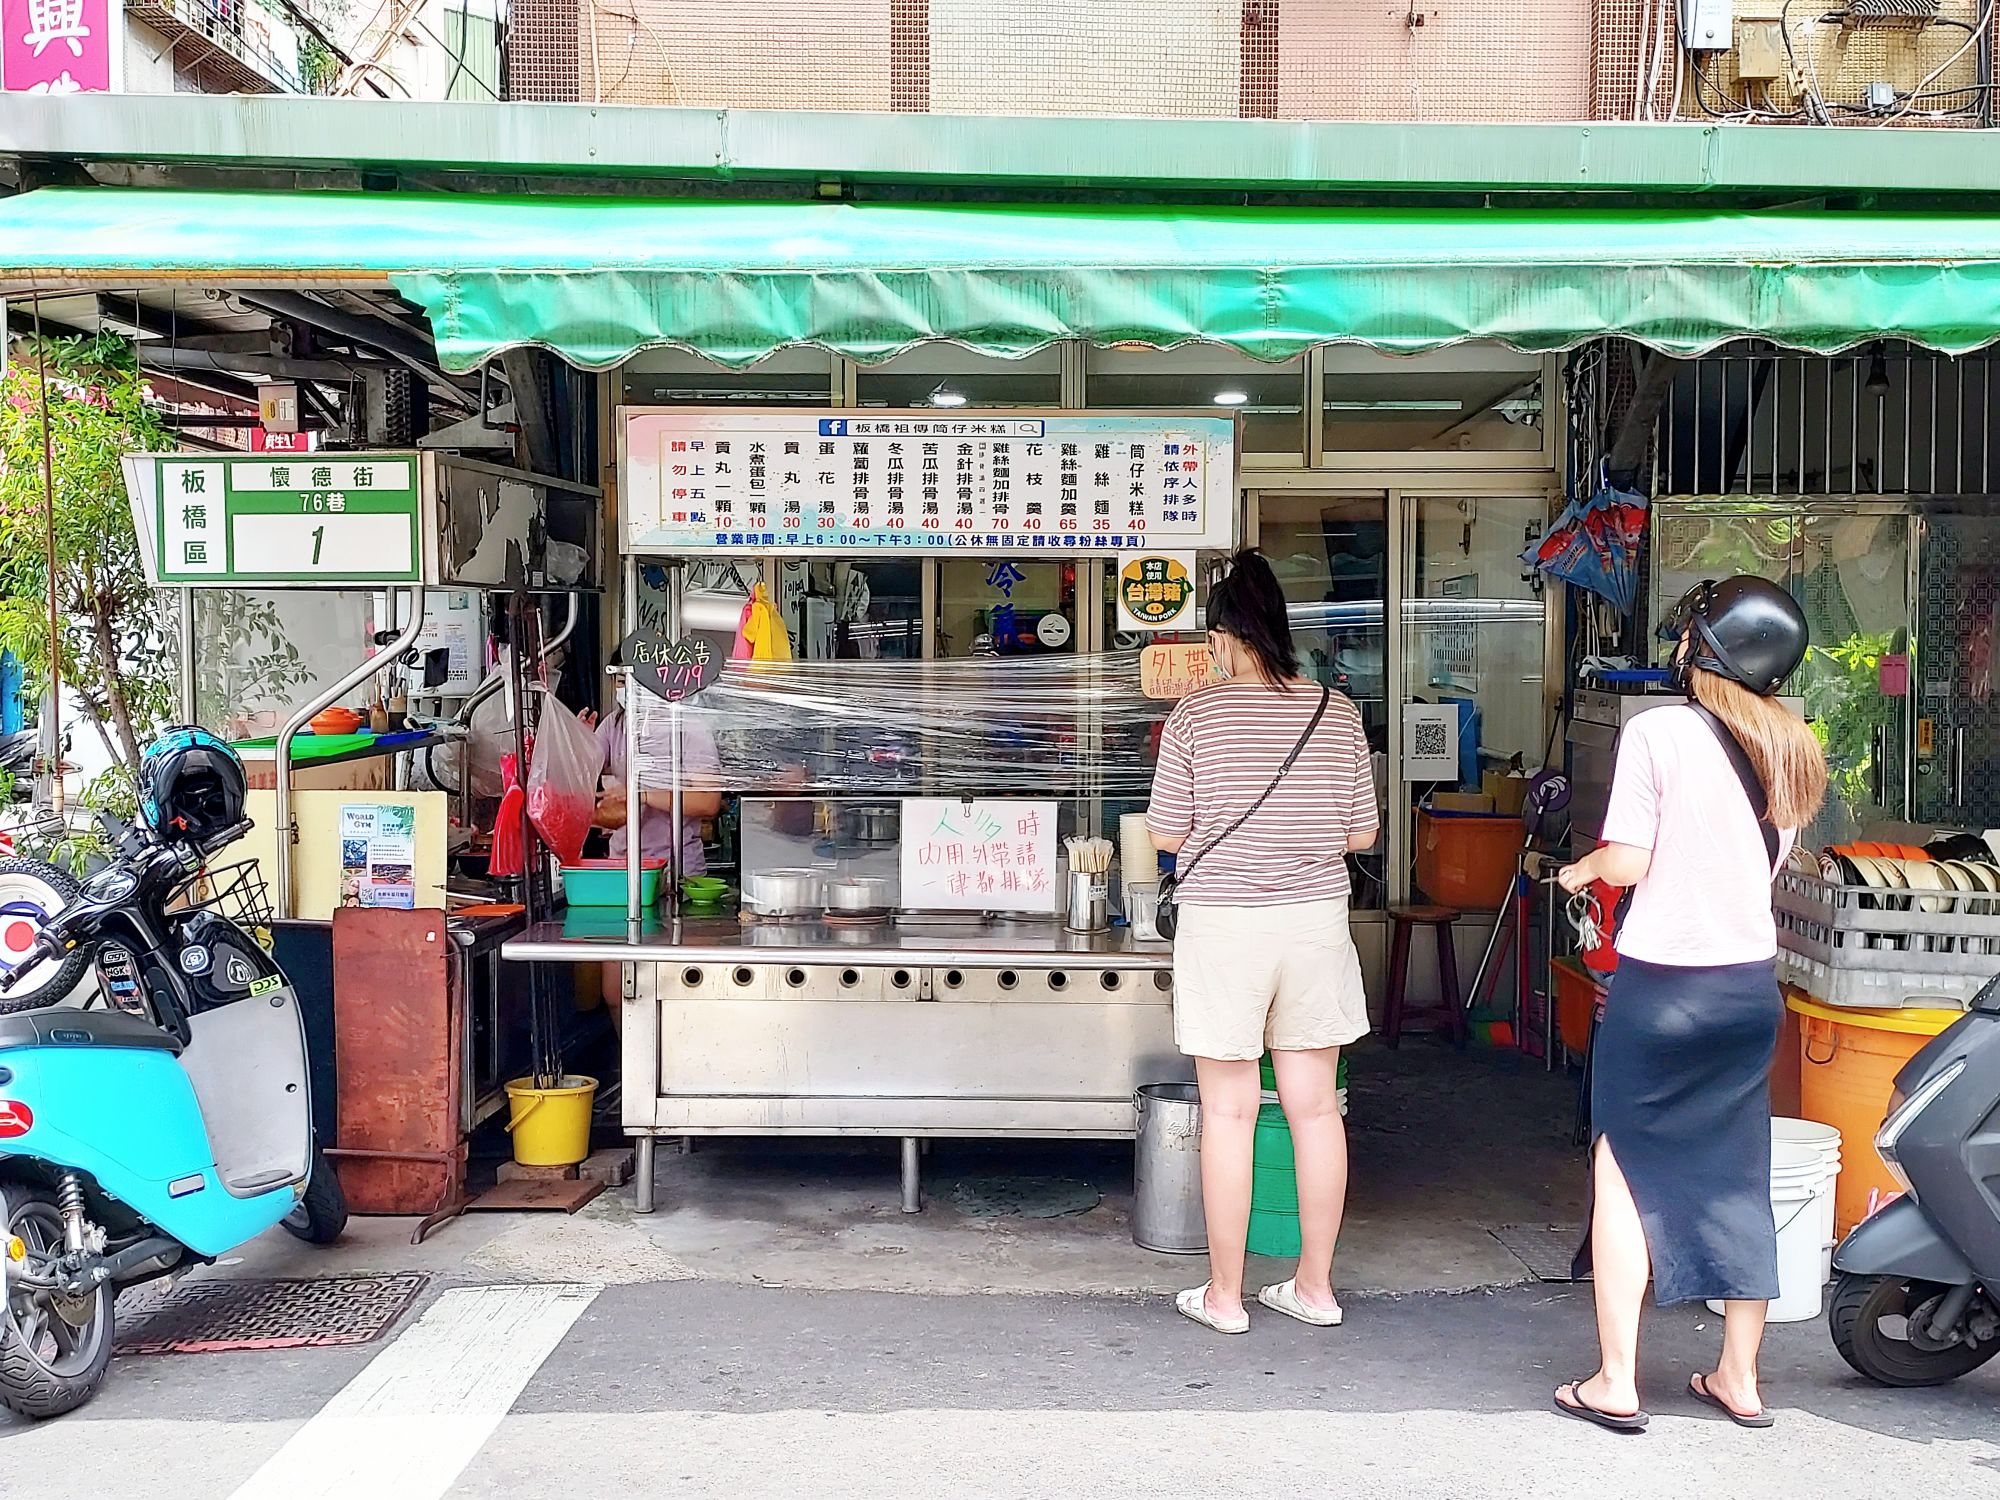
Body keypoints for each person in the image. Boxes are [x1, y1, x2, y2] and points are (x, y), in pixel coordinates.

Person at [1553, 576, 1826, 1433]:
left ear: (1702, 649)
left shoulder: (1659, 731)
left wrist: (1582, 869)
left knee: (1623, 1174)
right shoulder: (1793, 746)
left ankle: (1616, 1382)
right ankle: (1740, 1380)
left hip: (1664, 990)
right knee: (1737, 1179)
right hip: (1748, 992)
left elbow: (1629, 861)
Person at [1147, 549, 1379, 1335]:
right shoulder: (1337, 711)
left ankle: (1225, 1297)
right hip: (1313, 920)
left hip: (1224, 926)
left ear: (1223, 637)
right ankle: (1314, 1288)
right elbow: (1362, 832)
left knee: (1230, 1113)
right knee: (1315, 1110)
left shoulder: (1196, 717)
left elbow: (1168, 832)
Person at [591, 686, 724, 1029]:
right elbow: (583, 778)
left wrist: (643, 793)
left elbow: (708, 802)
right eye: (617, 679)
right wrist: (573, 743)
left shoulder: (689, 726)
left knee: (676, 988)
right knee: (617, 992)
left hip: (678, 875)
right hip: (623, 874)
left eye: (630, 678)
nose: (623, 687)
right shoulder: (616, 725)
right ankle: (635, 1076)